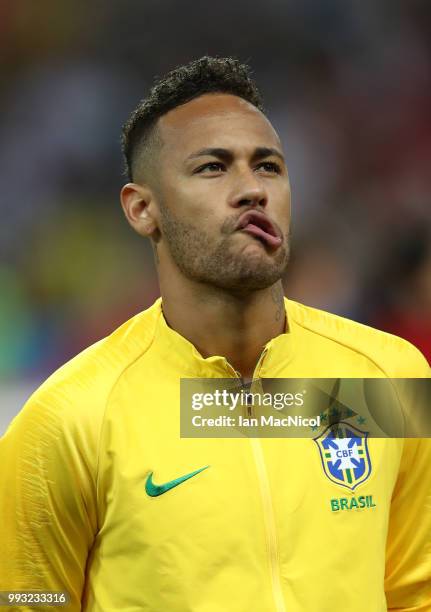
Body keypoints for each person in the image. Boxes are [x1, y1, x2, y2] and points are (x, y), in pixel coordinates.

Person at [0, 56, 430, 612]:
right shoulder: (71, 417)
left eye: (269, 166)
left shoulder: (386, 379)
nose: (252, 189)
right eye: (213, 167)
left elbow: (416, 592)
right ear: (141, 209)